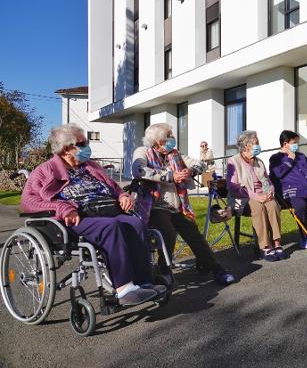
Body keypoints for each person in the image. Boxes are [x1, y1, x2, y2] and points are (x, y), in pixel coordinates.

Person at [21, 124, 162, 306]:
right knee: (111, 228)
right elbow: (27, 202)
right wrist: (62, 208)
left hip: (108, 209)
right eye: (82, 143)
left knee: (136, 223)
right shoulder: (44, 170)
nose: (87, 146)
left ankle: (144, 282)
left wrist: (122, 195)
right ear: (66, 149)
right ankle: (124, 289)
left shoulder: (91, 166)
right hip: (79, 217)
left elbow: (113, 186)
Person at [132, 123, 236, 285]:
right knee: (167, 232)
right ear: (159, 141)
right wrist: (170, 176)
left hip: (178, 206)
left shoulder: (175, 154)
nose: (173, 138)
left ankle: (215, 267)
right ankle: (164, 270)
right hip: (154, 206)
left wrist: (191, 171)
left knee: (194, 234)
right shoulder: (143, 152)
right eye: (169, 135)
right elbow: (139, 170)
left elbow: (200, 164)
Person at [226, 130, 285, 261]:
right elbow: (232, 186)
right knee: (258, 207)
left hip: (262, 194)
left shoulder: (259, 161)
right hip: (244, 197)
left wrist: (270, 191)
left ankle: (276, 242)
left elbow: (267, 180)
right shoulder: (233, 161)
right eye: (256, 143)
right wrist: (255, 196)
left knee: (273, 205)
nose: (259, 145)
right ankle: (264, 246)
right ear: (247, 145)